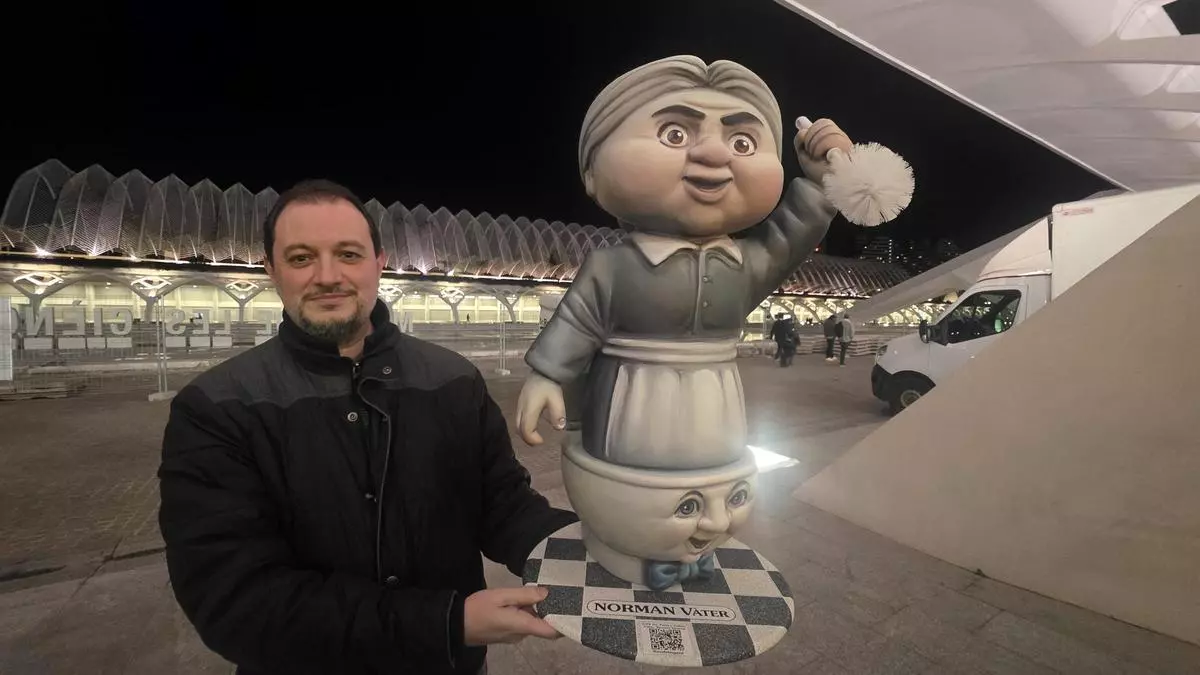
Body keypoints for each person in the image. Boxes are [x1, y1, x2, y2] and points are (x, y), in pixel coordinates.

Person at [157, 179, 577, 675]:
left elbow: (502, 506)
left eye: (348, 254)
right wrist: (445, 624)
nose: (327, 276)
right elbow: (234, 601)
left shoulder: (453, 380)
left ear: (379, 262)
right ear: (270, 269)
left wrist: (594, 554)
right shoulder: (216, 407)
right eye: (301, 258)